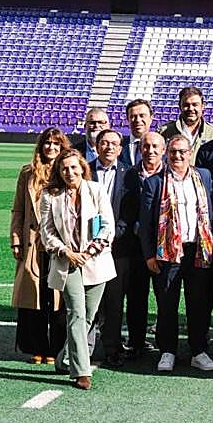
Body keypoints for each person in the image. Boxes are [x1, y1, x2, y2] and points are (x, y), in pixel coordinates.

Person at [139, 134, 213, 373]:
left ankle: (198, 351)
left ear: (190, 153)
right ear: (166, 153)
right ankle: (167, 351)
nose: (178, 156)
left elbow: (209, 213)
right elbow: (145, 224)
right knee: (166, 304)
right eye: (173, 152)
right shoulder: (154, 182)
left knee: (198, 303)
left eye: (182, 151)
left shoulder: (203, 176)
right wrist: (149, 255)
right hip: (167, 251)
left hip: (196, 249)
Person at [39, 150, 115, 390]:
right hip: (66, 263)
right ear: (58, 172)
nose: (69, 172)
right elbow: (46, 232)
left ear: (82, 167)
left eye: (73, 167)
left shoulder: (96, 190)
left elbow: (107, 225)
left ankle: (63, 359)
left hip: (96, 261)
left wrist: (90, 251)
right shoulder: (50, 196)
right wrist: (66, 252)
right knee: (77, 313)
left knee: (89, 317)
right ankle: (82, 372)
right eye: (64, 169)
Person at [11, 128, 68, 364]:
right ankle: (36, 347)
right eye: (47, 143)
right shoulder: (28, 173)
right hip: (33, 245)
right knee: (33, 298)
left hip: (60, 244)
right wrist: (16, 240)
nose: (51, 148)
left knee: (57, 298)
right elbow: (19, 209)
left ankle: (56, 348)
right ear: (41, 146)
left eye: (56, 143)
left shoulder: (68, 170)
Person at [120, 132, 165, 359]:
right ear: (140, 149)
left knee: (164, 294)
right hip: (135, 245)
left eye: (155, 146)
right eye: (146, 146)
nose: (151, 150)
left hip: (163, 245)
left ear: (163, 150)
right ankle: (136, 340)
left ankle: (165, 342)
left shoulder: (170, 174)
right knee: (136, 294)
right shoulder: (129, 174)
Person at [89, 129, 131, 367]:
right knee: (90, 300)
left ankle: (113, 348)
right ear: (97, 145)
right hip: (88, 246)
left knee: (115, 301)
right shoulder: (85, 170)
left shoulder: (129, 174)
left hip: (118, 247)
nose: (109, 147)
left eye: (114, 143)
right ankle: (88, 347)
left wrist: (112, 236)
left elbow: (130, 210)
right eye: (104, 143)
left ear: (120, 148)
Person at [160, 85, 213, 161]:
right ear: (180, 106)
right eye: (186, 105)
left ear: (203, 106)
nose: (191, 109)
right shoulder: (164, 132)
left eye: (195, 105)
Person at [122, 98, 154, 168]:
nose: (138, 120)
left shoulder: (162, 146)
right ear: (128, 119)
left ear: (151, 117)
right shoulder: (119, 145)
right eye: (133, 116)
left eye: (142, 115)